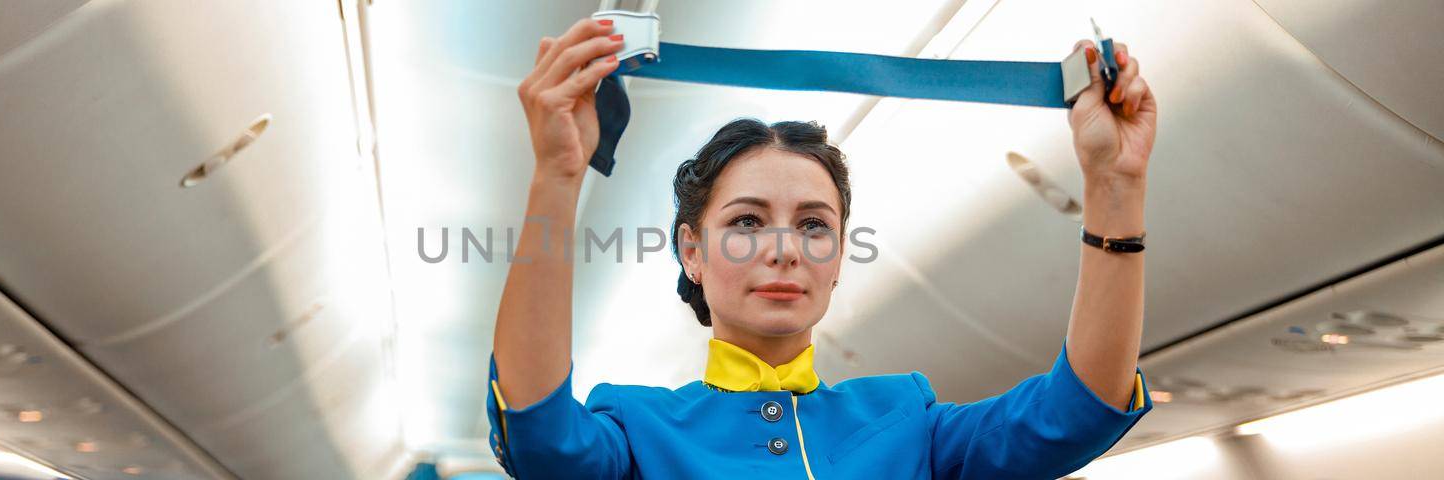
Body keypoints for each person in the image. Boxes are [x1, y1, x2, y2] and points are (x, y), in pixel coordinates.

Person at [487, 17, 1157, 479]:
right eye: (747, 222)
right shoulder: (635, 429)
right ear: (691, 252)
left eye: (813, 225)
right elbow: (539, 432)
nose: (785, 250)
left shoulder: (907, 419)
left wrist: (1114, 183)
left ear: (838, 259)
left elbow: (1078, 411)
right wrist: (557, 178)